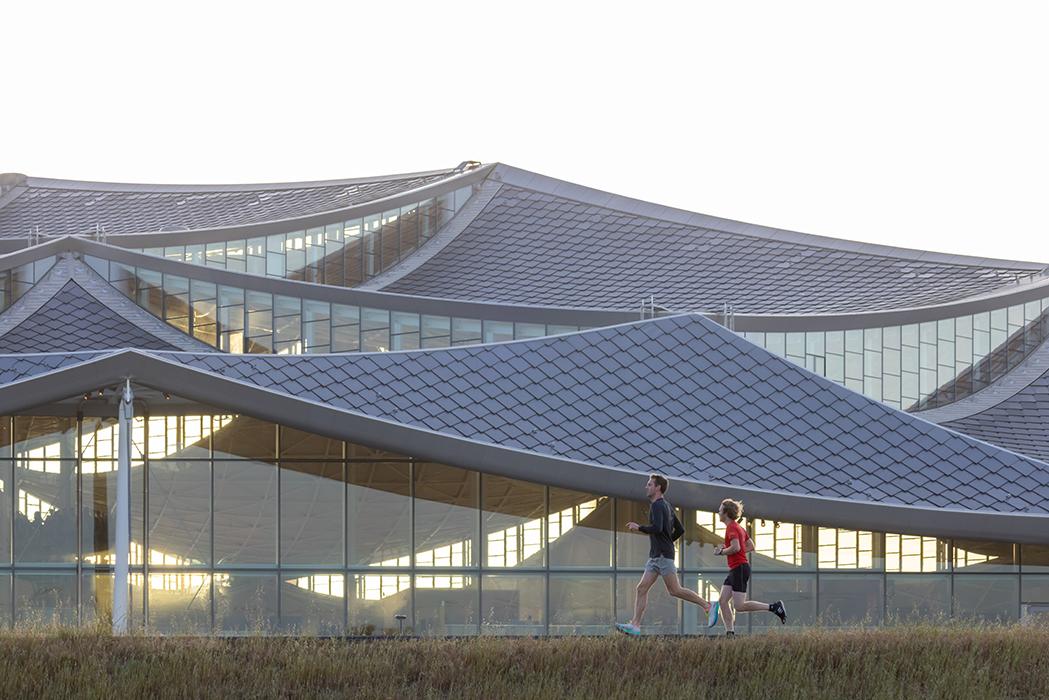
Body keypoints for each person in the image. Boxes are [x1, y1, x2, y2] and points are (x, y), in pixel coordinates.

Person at [615, 474, 720, 636]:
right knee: (641, 588)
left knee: (675, 590)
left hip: (663, 556)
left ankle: (707, 605)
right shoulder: (667, 506)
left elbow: (657, 528)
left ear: (658, 488)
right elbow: (680, 530)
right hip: (657, 555)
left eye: (649, 484)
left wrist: (639, 527)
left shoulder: (658, 506)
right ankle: (635, 625)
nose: (646, 487)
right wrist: (667, 542)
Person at [712, 498, 786, 635]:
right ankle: (730, 633)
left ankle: (774, 607)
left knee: (739, 606)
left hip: (739, 568)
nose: (718, 512)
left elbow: (735, 547)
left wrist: (722, 552)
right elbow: (751, 546)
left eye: (720, 510)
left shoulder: (732, 528)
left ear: (726, 513)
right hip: (736, 568)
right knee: (722, 601)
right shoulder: (738, 527)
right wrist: (732, 550)